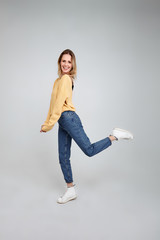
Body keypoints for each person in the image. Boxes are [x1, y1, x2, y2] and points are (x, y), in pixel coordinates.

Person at [40, 49, 133, 204]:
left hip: (69, 118)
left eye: (69, 62)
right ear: (59, 62)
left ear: (72, 64)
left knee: (88, 150)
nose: (66, 64)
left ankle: (114, 136)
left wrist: (48, 125)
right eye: (64, 61)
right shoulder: (58, 81)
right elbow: (52, 105)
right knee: (63, 157)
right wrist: (47, 122)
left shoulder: (65, 80)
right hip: (62, 121)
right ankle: (70, 190)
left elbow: (58, 106)